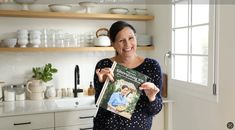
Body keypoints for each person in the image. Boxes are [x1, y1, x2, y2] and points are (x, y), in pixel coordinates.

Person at [93, 21, 163, 130]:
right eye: (121, 40)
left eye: (131, 38)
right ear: (113, 44)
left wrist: (152, 97)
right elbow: (98, 103)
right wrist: (103, 83)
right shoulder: (104, 65)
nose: (127, 44)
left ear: (136, 38)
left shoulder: (151, 66)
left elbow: (155, 110)